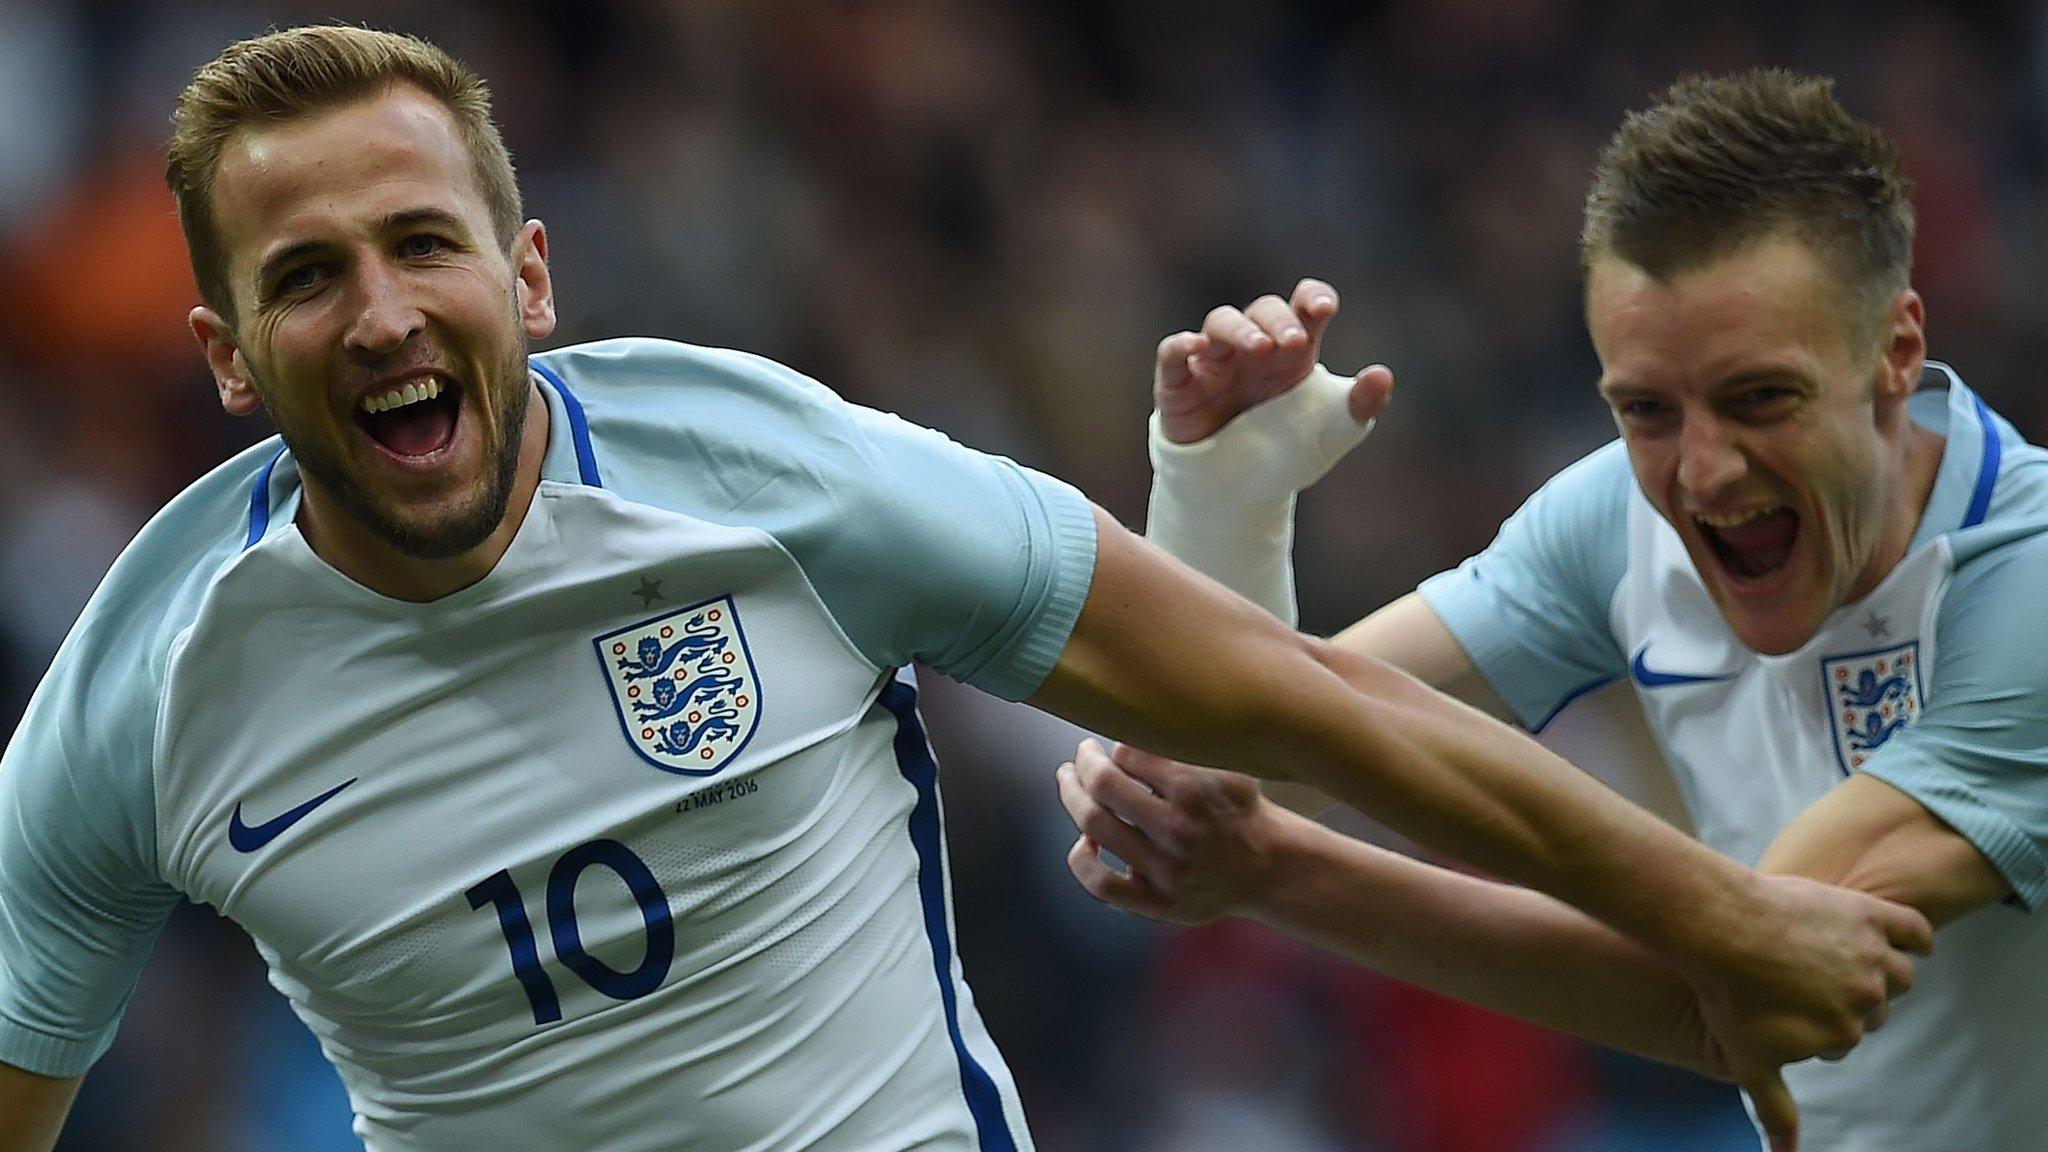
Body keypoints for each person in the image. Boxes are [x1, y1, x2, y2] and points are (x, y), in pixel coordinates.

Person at [0, 33, 1925, 1152]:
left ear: (530, 283)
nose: (384, 308)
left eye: (423, 244)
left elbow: (1302, 704)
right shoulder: (136, 703)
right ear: (231, 355)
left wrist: (1720, 922)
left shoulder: (779, 478)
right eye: (309, 273)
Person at [1062, 71, 2048, 1152]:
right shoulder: (1614, 517)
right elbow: (1222, 766)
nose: (1703, 471)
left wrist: (1277, 871)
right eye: (1646, 410)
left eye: (1759, 397)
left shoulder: (2024, 582)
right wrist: (1223, 512)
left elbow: (1741, 979)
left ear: (1894, 353)